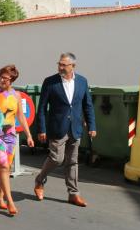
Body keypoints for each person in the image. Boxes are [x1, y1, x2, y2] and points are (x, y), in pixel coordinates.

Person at [34, 52, 96, 207]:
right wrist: (41, 129)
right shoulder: (50, 82)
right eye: (59, 64)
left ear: (73, 66)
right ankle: (39, 180)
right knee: (57, 158)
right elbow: (41, 108)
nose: (60, 67)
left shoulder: (82, 81)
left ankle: (73, 194)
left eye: (64, 65)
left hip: (75, 128)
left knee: (72, 162)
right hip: (57, 127)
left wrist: (92, 125)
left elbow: (87, 105)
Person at [0, 64, 34, 216]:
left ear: (12, 80)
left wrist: (29, 135)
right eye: (1, 77)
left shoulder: (17, 95)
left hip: (10, 135)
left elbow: (21, 117)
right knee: (3, 166)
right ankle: (10, 201)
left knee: (6, 167)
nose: (3, 80)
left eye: (6, 78)